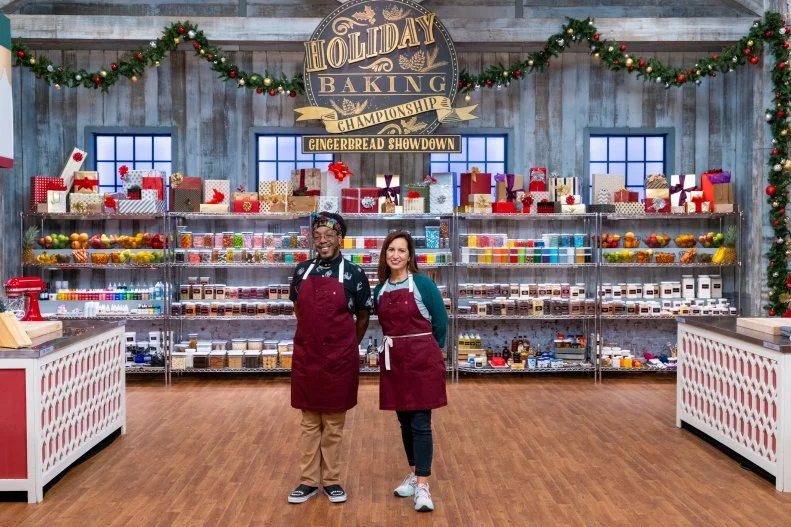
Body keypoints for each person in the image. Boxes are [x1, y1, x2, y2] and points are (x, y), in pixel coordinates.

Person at [287, 211, 372, 505]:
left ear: (340, 239)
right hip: (308, 355)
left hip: (339, 358)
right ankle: (308, 481)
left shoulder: (355, 274)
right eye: (318, 235)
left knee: (334, 423)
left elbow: (363, 316)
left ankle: (332, 480)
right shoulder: (301, 271)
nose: (322, 241)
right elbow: (299, 309)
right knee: (309, 421)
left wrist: (347, 345)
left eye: (329, 235)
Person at [373, 231, 448, 513]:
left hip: (421, 359)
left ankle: (423, 485)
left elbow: (441, 321)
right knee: (404, 421)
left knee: (420, 421)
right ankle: (414, 473)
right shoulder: (379, 290)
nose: (396, 255)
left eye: (402, 251)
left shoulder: (423, 285)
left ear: (410, 255)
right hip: (395, 360)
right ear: (385, 254)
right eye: (391, 249)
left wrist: (433, 352)